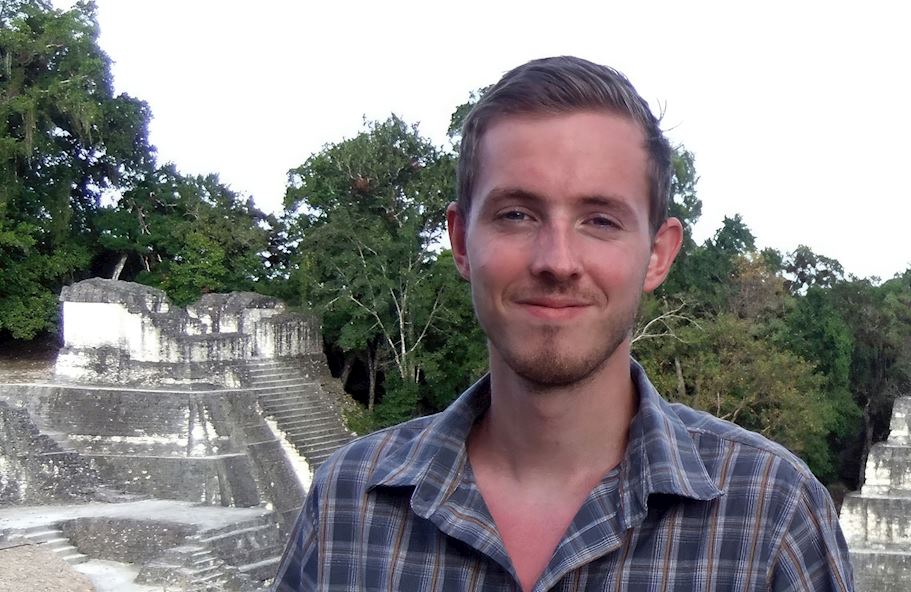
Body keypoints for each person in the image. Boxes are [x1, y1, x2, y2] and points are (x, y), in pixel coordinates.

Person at [275, 56, 855, 591]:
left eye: (600, 220)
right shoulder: (348, 506)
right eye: (517, 214)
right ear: (460, 241)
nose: (556, 261)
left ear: (658, 254)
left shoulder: (770, 516)